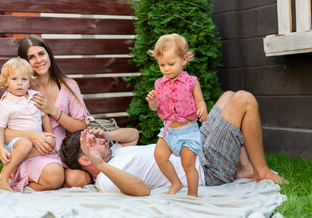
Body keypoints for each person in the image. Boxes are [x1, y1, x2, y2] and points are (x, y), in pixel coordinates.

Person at [60, 90, 284, 196]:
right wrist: (99, 165)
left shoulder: (116, 152)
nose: (99, 138)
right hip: (206, 167)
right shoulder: (107, 180)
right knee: (244, 100)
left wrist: (107, 136)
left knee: (228, 95)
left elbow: (132, 136)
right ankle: (262, 172)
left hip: (195, 146)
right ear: (85, 158)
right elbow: (142, 190)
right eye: (93, 141)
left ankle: (244, 169)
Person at [0, 35, 88, 191]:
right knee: (55, 175)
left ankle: (50, 181)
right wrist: (32, 136)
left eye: (41, 53)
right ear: (24, 63)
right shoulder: (19, 91)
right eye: (31, 57)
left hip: (58, 148)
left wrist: (53, 110)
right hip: (30, 152)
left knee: (80, 179)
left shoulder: (68, 86)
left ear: (48, 54)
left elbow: (82, 126)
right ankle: (22, 183)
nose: (38, 60)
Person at [146, 34, 208, 196]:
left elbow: (200, 102)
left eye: (171, 64)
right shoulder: (159, 84)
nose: (166, 68)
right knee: (159, 156)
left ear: (184, 60)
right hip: (169, 132)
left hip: (188, 132)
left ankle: (192, 194)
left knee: (188, 165)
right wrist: (152, 102)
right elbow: (156, 108)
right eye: (162, 65)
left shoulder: (191, 82)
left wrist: (202, 109)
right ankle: (176, 182)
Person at [0, 58, 53, 192]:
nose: (19, 83)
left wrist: (49, 135)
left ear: (30, 81)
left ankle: (16, 163)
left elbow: (45, 118)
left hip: (34, 143)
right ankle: (3, 177)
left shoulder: (35, 96)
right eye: (14, 79)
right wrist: (1, 150)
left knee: (50, 143)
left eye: (24, 79)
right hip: (16, 144)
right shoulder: (5, 103)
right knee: (25, 144)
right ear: (6, 82)